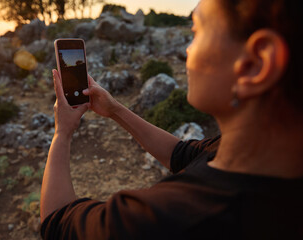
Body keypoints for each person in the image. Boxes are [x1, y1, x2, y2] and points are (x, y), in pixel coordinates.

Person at [40, 0, 303, 239]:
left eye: (197, 32)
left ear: (256, 64)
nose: (187, 51)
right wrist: (115, 110)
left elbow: (56, 221)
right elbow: (183, 155)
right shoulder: (266, 164)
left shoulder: (164, 219)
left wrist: (62, 133)